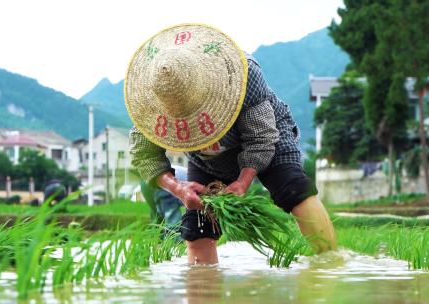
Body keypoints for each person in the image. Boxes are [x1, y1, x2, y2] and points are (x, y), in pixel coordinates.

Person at [126, 23, 337, 264]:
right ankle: (204, 289)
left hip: (267, 137)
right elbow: (145, 157)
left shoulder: (241, 72)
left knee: (294, 189)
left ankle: (331, 265)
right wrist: (178, 187)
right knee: (198, 227)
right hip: (205, 159)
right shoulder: (148, 100)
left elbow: (261, 139)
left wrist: (243, 181)